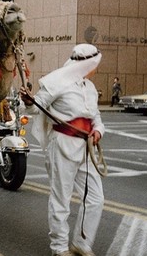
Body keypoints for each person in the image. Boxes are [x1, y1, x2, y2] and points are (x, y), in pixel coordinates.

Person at [20, 44, 105, 256]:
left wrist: (98, 132)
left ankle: (81, 243)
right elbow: (33, 107)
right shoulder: (55, 82)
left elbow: (96, 119)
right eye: (95, 65)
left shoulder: (90, 88)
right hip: (62, 145)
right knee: (61, 199)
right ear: (88, 63)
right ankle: (59, 248)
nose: (96, 68)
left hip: (86, 149)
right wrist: (28, 101)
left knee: (95, 198)